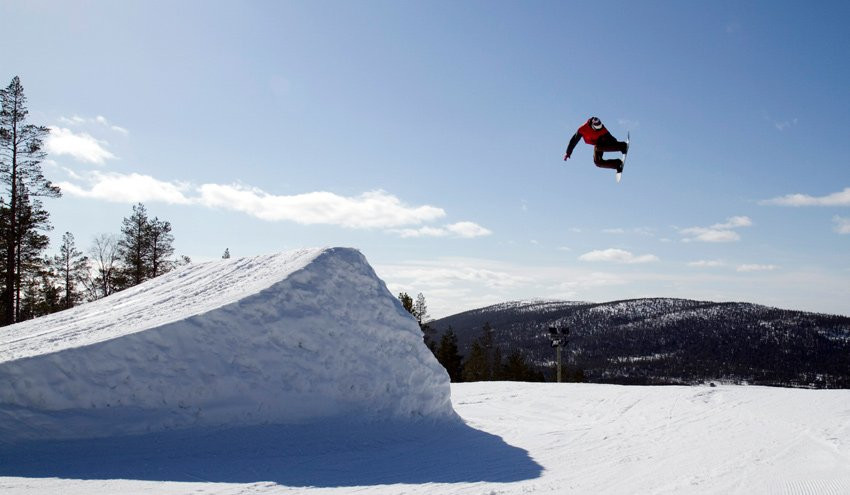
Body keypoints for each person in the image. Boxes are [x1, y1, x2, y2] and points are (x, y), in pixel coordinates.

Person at [563, 117, 628, 174]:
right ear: (592, 126)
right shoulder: (582, 129)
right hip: (597, 144)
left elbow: (610, 137)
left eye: (600, 128)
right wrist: (568, 152)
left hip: (603, 141)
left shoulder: (602, 128)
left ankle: (622, 146)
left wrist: (619, 145)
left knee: (598, 147)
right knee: (598, 162)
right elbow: (574, 140)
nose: (599, 130)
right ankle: (617, 164)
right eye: (597, 129)